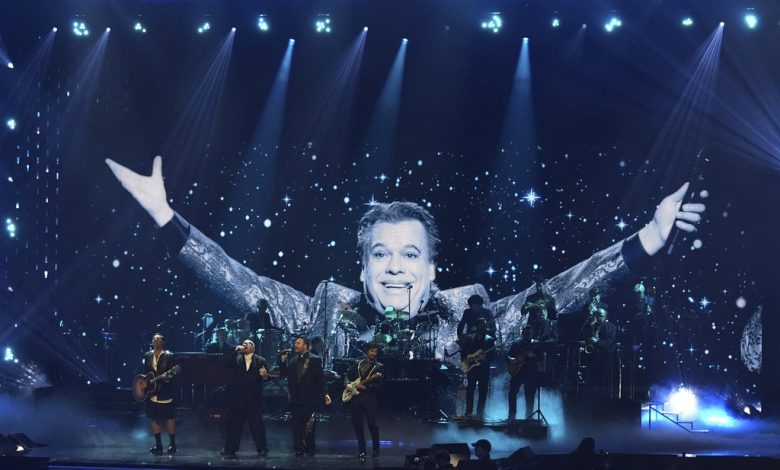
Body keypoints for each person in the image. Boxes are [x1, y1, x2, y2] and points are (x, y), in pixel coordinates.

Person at [105, 156, 705, 364]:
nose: (395, 267)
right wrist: (165, 216)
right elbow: (239, 282)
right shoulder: (327, 308)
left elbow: (560, 291)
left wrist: (649, 238)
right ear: (362, 268)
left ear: (432, 268)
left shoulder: (468, 311)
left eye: (410, 254)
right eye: (381, 254)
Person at [279, 335, 331, 457]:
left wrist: (325, 393)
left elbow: (320, 379)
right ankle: (298, 448)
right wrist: (282, 362)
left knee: (309, 425)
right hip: (295, 398)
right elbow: (284, 374)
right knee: (296, 426)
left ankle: (310, 448)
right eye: (295, 343)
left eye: (298, 343)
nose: (295, 345)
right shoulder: (293, 360)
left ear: (305, 345)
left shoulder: (314, 360)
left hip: (309, 399)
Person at [220, 340, 269, 458]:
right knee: (234, 425)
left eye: (248, 343)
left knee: (257, 426)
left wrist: (265, 376)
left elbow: (264, 378)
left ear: (253, 348)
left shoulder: (261, 360)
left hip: (253, 399)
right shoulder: (237, 358)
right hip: (238, 398)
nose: (245, 344)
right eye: (244, 343)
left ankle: (262, 449)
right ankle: (230, 449)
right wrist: (235, 352)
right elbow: (228, 364)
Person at [345, 342, 384, 460]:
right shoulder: (358, 363)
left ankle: (376, 450)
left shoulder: (379, 367)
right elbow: (347, 376)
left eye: (375, 351)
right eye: (371, 351)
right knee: (357, 424)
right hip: (356, 398)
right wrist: (347, 384)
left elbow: (380, 384)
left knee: (372, 424)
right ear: (367, 351)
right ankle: (362, 450)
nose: (373, 353)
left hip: (369, 398)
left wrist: (366, 387)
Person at [143, 333, 177, 455]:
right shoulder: (147, 355)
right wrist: (145, 384)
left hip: (165, 391)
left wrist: (167, 377)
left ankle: (172, 444)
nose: (155, 340)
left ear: (163, 342)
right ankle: (158, 445)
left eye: (158, 339)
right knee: (154, 418)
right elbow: (145, 373)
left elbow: (173, 373)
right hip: (151, 392)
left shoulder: (170, 355)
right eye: (154, 339)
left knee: (169, 418)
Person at [461, 320, 495, 418]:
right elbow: (463, 353)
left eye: (484, 325)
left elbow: (493, 355)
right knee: (470, 389)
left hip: (484, 369)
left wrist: (486, 357)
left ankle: (480, 413)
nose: (482, 327)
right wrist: (466, 362)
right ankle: (468, 411)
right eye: (481, 325)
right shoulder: (470, 338)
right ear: (477, 326)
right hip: (472, 368)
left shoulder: (490, 340)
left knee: (483, 391)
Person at [507, 326, 539, 421]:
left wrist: (533, 355)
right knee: (512, 393)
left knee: (530, 395)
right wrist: (510, 359)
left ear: (532, 334)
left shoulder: (536, 343)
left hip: (530, 373)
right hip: (517, 372)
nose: (528, 335)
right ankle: (511, 416)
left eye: (530, 333)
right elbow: (507, 355)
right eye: (526, 333)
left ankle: (529, 417)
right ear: (522, 333)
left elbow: (541, 357)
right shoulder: (516, 343)